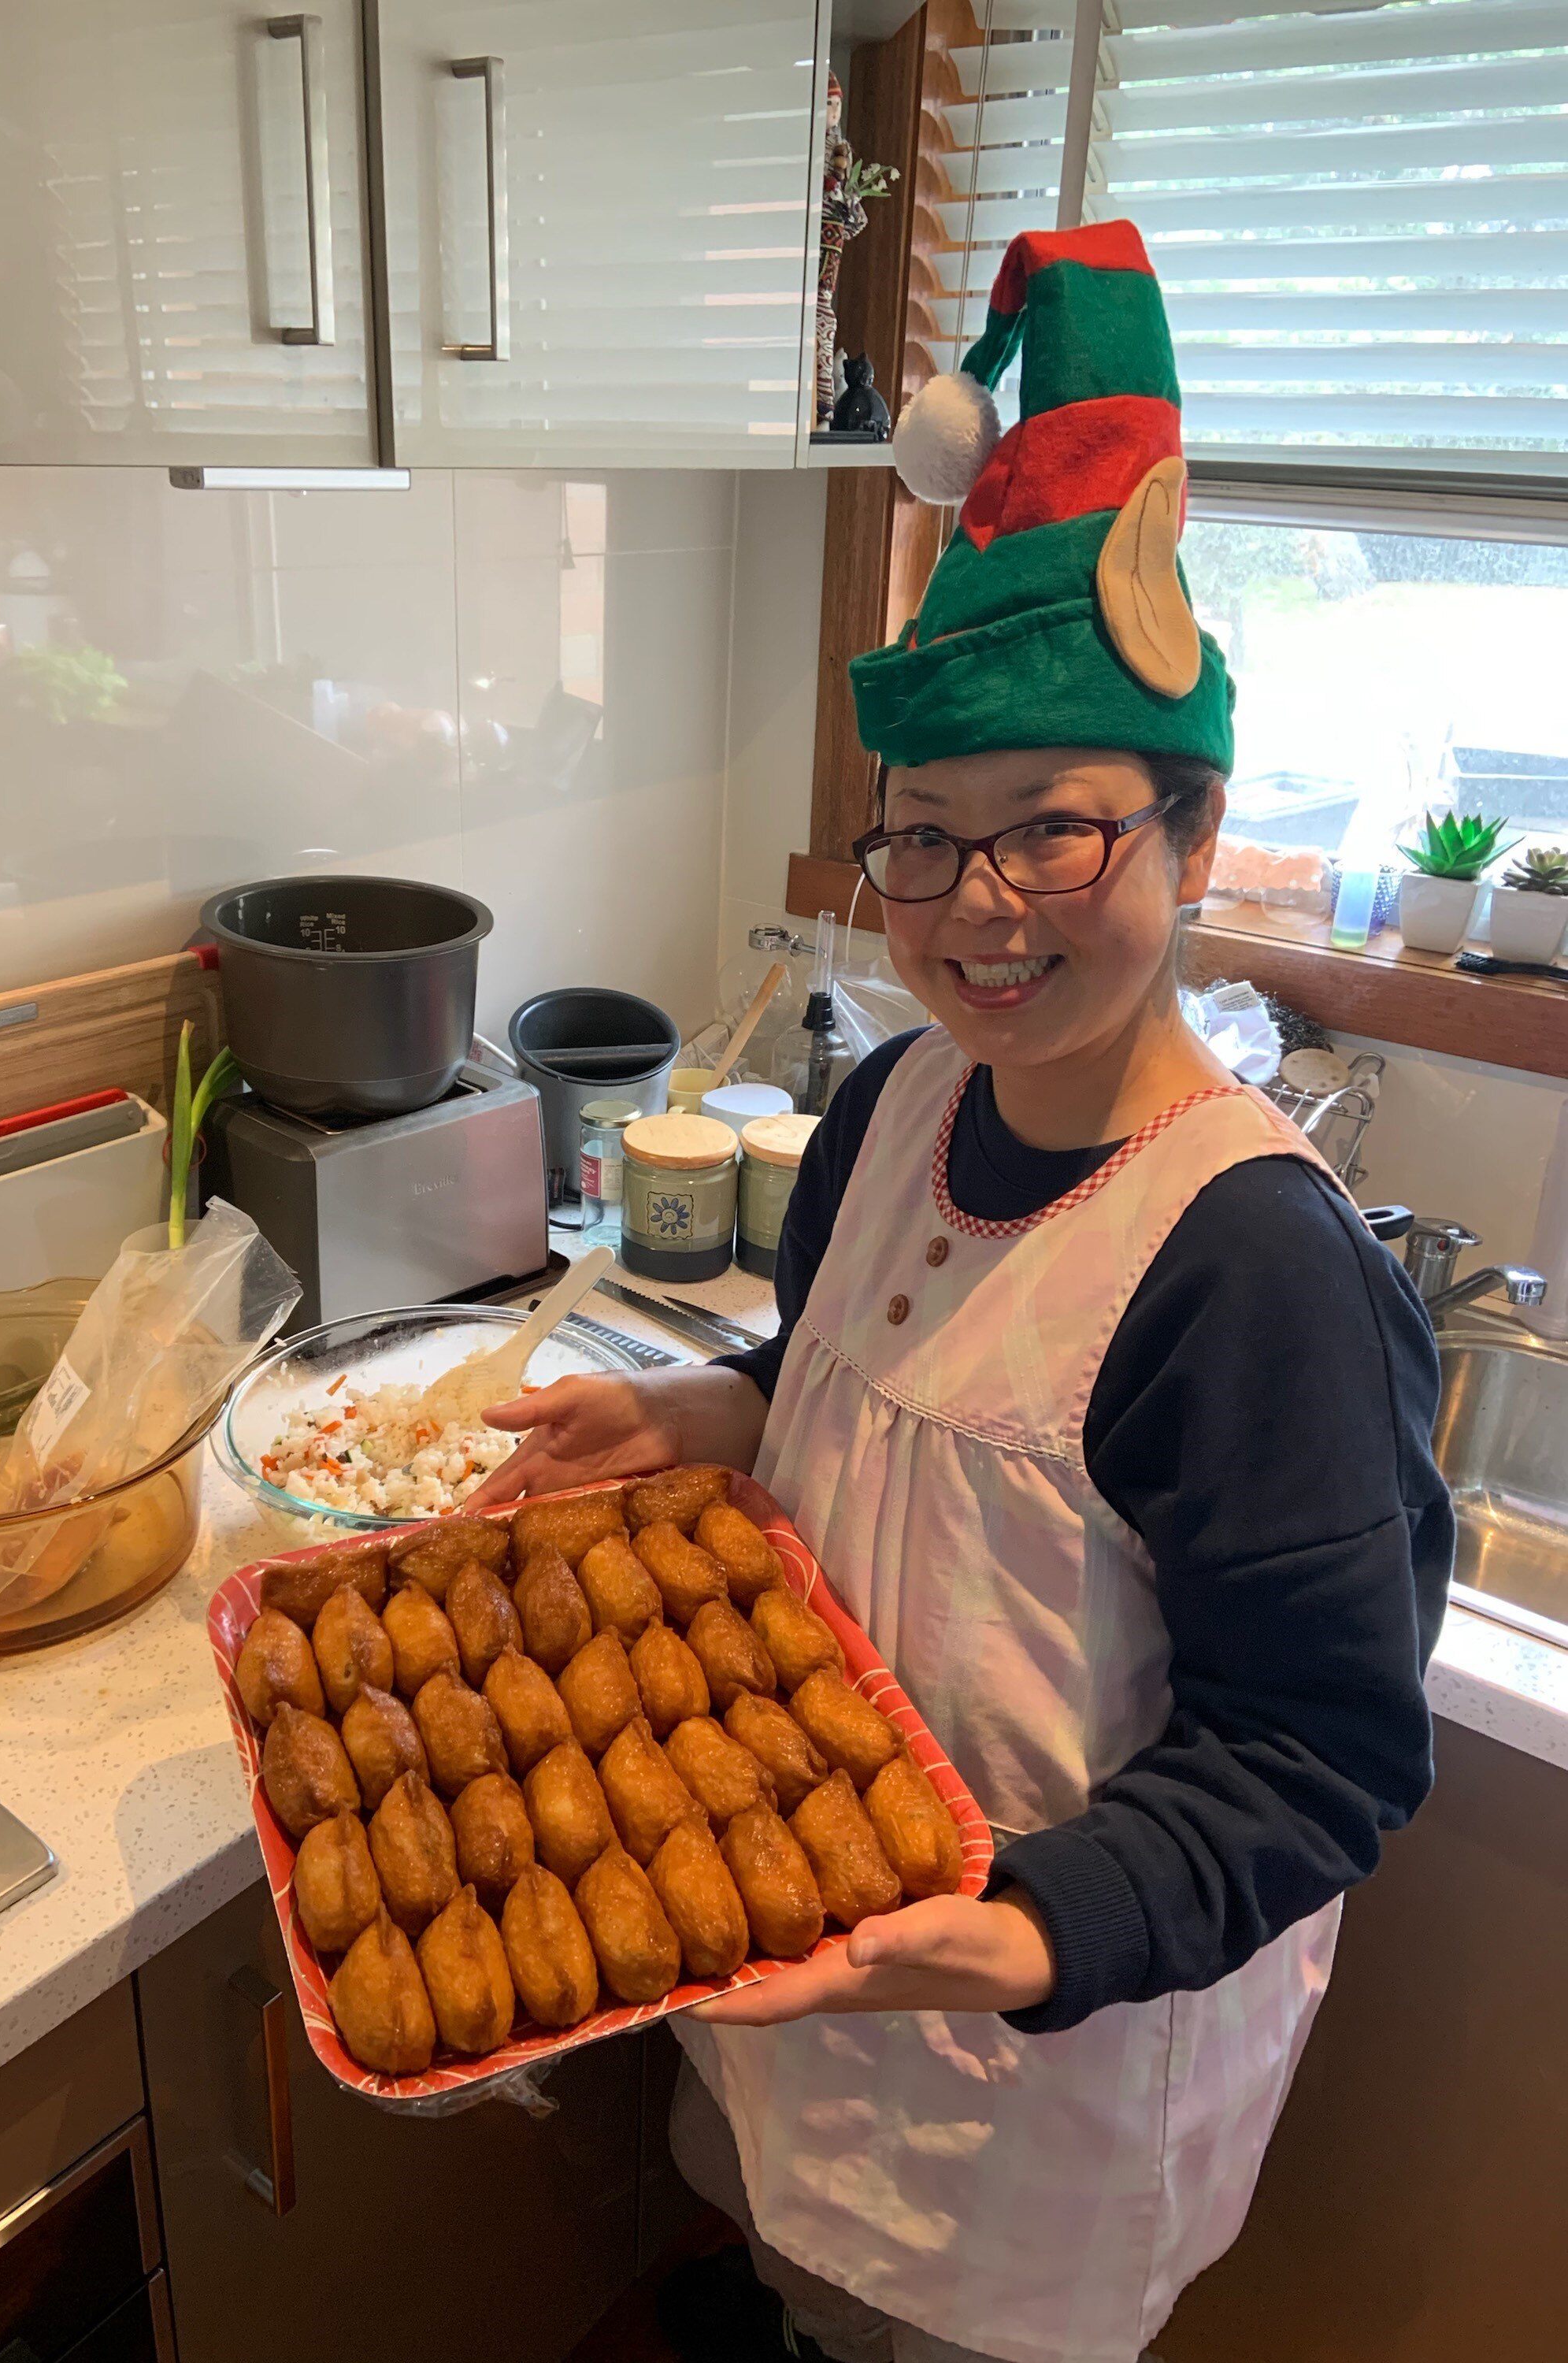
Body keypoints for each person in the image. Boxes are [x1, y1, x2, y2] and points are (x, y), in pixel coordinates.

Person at [471, 222, 1451, 2363]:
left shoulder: (1248, 1265)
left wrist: (1021, 1928)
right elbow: (896, 1387)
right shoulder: (902, 1093)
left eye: (1055, 831)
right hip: (805, 1955)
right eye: (920, 836)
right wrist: (727, 1414)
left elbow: (1320, 1758)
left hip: (1042, 2059)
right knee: (803, 2295)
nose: (975, 908)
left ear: (1189, 838)